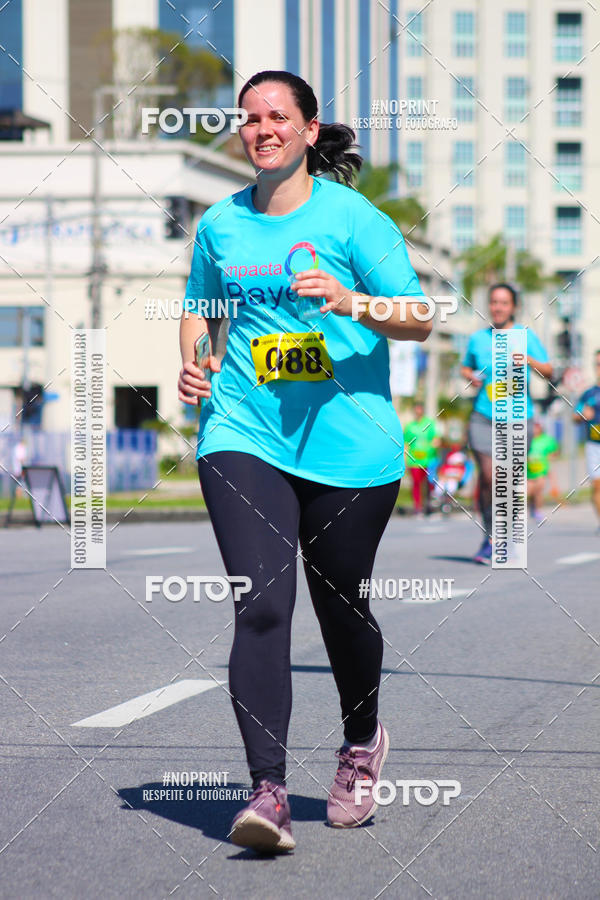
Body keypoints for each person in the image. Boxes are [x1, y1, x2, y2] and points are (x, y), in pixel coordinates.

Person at [177, 70, 432, 853]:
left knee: (341, 610)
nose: (263, 129)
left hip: (350, 449)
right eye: (250, 118)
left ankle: (361, 742)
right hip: (243, 431)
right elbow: (201, 308)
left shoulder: (353, 219)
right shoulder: (221, 223)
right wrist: (195, 361)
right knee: (260, 604)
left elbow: (420, 315)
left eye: (278, 117)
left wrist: (353, 302)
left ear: (309, 130)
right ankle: (269, 793)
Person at [460, 283, 552, 564]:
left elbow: (549, 370)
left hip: (518, 419)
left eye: (504, 303)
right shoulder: (477, 339)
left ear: (513, 307)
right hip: (483, 416)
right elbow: (465, 366)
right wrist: (469, 376)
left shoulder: (525, 336)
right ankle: (490, 538)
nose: (497, 307)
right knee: (489, 476)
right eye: (494, 302)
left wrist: (528, 360)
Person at [573, 349, 600, 529]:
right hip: (594, 445)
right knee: (597, 485)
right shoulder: (589, 394)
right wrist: (582, 415)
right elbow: (575, 416)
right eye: (597, 364)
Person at [403, 401, 439, 515]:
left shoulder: (429, 424)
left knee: (429, 483)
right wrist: (405, 458)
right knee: (416, 483)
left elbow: (436, 439)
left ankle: (428, 504)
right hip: (414, 460)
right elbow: (406, 443)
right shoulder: (410, 426)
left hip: (427, 459)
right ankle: (417, 506)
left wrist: (432, 449)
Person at [527, 421, 559, 522]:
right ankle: (529, 508)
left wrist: (551, 457)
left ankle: (537, 511)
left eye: (537, 427)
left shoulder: (547, 440)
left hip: (541, 470)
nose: (535, 429)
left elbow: (555, 451)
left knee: (538, 490)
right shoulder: (526, 439)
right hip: (527, 470)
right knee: (528, 491)